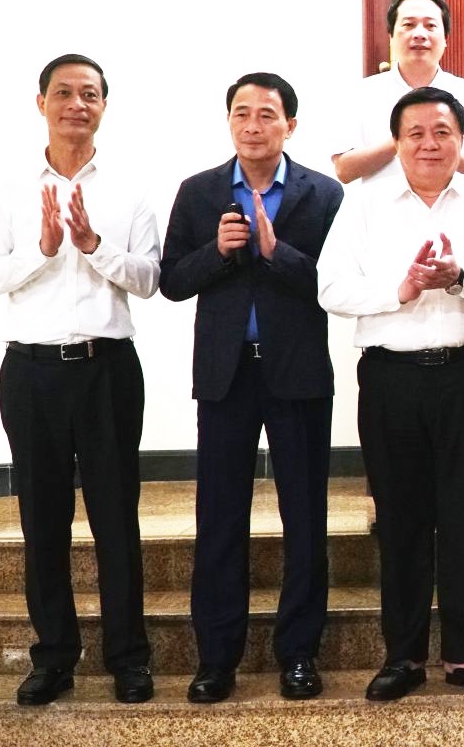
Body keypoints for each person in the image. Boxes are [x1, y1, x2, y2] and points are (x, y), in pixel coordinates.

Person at [317, 86, 464, 701]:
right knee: (401, 517)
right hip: (393, 378)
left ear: (461, 140)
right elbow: (331, 288)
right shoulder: (363, 203)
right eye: (416, 133)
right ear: (397, 142)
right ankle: (403, 657)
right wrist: (400, 290)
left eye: (442, 132)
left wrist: (460, 279)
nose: (429, 144)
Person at [0, 53, 159, 705]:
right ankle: (53, 657)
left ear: (104, 106)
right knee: (42, 519)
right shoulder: (5, 187)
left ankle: (128, 657)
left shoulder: (130, 189)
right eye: (63, 92)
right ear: (41, 103)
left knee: (116, 518)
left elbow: (149, 279)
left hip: (107, 370)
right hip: (31, 373)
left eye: (89, 94)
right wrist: (44, 249)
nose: (76, 104)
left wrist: (93, 245)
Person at [158, 72, 343, 703]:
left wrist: (275, 252)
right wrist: (217, 251)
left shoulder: (324, 193)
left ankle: (299, 653)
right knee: (219, 517)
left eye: (267, 114)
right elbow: (172, 281)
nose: (253, 125)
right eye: (242, 113)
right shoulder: (200, 191)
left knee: (305, 516)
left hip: (297, 374)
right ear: (229, 122)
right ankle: (217, 659)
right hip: (226, 374)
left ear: (291, 124)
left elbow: (337, 284)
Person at [331, 0, 464, 185]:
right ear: (391, 37)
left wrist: (440, 144)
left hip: (456, 204)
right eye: (409, 25)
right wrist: (401, 139)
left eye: (430, 26)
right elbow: (344, 170)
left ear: (445, 38)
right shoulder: (361, 93)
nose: (419, 34)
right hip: (384, 204)